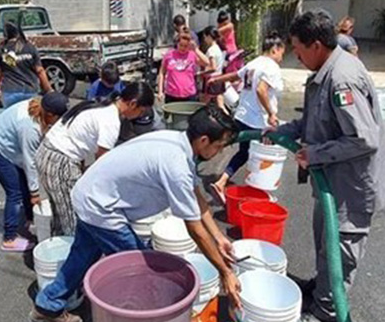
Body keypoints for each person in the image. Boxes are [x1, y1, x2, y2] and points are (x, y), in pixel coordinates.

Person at [30, 105, 242, 322]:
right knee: (141, 268)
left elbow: (196, 195)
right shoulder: (176, 165)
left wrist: (219, 238)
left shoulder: (174, 139)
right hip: (101, 207)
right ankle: (139, 314)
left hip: (91, 194)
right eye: (219, 146)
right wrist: (226, 272)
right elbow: (195, 229)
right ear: (204, 140)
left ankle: (47, 306)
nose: (220, 151)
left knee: (82, 256)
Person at [274, 10, 385, 322]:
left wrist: (314, 154)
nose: (295, 56)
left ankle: (326, 310)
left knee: (339, 252)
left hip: (351, 188)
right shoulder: (326, 70)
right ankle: (322, 290)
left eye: (297, 49)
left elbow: (364, 138)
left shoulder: (342, 79)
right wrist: (281, 131)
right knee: (325, 246)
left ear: (315, 45)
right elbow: (317, 121)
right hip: (332, 184)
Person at [36, 83, 154, 236]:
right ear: (132, 104)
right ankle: (71, 256)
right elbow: (103, 164)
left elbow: (79, 138)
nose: (140, 116)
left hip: (46, 153)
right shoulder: (111, 121)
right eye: (141, 111)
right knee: (74, 219)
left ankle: (58, 250)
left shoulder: (99, 104)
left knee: (60, 213)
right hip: (60, 162)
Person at [0, 93, 69, 251]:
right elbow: (30, 163)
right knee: (15, 192)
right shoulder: (30, 128)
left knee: (25, 186)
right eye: (58, 119)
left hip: (9, 144)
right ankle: (9, 238)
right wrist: (35, 193)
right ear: (50, 114)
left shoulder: (38, 106)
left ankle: (30, 220)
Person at [209, 32, 286, 202]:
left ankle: (221, 182)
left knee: (244, 153)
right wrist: (272, 113)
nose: (282, 57)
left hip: (242, 116)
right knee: (263, 158)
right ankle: (259, 193)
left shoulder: (254, 63)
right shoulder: (272, 67)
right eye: (282, 52)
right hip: (258, 122)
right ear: (276, 49)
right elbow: (261, 90)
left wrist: (217, 79)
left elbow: (236, 75)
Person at [0, 22, 53, 108]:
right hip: (30, 91)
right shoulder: (30, 47)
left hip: (10, 92)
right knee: (29, 119)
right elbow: (40, 71)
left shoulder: (2, 50)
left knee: (11, 119)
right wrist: (48, 90)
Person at [157, 32, 204, 103]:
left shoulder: (192, 55)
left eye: (186, 46)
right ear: (177, 44)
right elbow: (162, 73)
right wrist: (160, 91)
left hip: (189, 95)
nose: (183, 48)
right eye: (181, 45)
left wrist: (196, 49)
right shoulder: (169, 55)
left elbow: (206, 63)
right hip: (172, 94)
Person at [200, 26, 227, 108]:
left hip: (211, 79)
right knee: (220, 104)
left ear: (209, 36)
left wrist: (200, 73)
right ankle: (227, 119)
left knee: (204, 104)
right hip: (220, 77)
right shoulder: (218, 48)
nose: (204, 40)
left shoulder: (211, 50)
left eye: (205, 37)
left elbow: (213, 67)